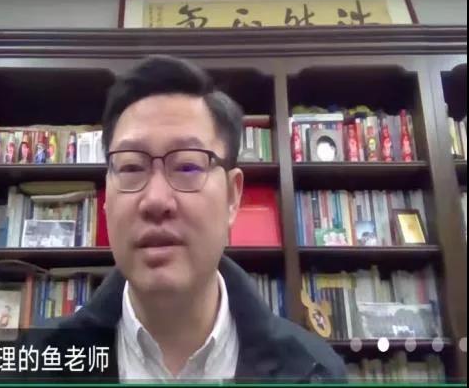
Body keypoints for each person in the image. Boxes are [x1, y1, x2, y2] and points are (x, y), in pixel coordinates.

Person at [53, 56, 346, 382]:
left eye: (188, 166)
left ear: (232, 197)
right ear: (106, 199)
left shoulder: (315, 372)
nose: (156, 200)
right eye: (132, 167)